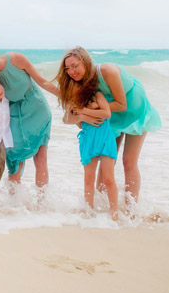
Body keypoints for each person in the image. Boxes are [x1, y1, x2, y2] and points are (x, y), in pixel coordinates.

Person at [54, 47, 161, 202]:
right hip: (110, 116)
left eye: (75, 66)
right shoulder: (79, 84)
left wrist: (88, 109)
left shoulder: (106, 71)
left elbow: (121, 104)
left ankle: (131, 210)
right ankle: (101, 206)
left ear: (85, 62)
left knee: (129, 162)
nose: (71, 71)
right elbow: (71, 116)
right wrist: (82, 114)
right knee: (107, 160)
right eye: (68, 68)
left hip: (134, 110)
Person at [0, 37, 54, 188]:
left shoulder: (16, 59)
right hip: (12, 114)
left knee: (40, 159)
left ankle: (41, 204)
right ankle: (14, 205)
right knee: (14, 160)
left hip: (37, 108)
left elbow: (42, 81)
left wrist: (69, 99)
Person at [52, 67, 119, 220]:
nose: (76, 91)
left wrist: (83, 112)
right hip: (88, 141)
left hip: (105, 139)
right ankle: (89, 212)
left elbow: (106, 113)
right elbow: (66, 120)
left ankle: (114, 214)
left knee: (109, 179)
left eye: (78, 87)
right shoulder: (72, 104)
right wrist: (81, 116)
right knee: (88, 179)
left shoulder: (97, 95)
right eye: (72, 89)